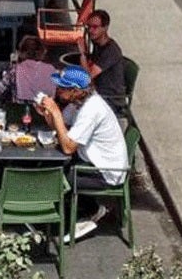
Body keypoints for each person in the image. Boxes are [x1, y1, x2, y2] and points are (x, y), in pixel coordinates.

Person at [36, 65, 128, 243]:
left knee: (57, 176)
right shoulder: (78, 104)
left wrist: (54, 111)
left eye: (62, 87)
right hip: (93, 162)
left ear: (76, 91)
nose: (58, 90)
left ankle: (82, 214)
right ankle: (89, 208)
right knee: (53, 166)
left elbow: (68, 147)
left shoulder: (91, 109)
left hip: (107, 171)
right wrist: (48, 114)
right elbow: (62, 126)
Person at [76, 9, 126, 102]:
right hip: (96, 91)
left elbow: (87, 77)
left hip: (109, 99)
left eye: (95, 27)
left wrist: (82, 54)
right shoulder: (97, 44)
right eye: (89, 27)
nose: (90, 30)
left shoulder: (110, 51)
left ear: (105, 28)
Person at [0, 37, 58, 103]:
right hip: (46, 110)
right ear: (42, 52)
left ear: (21, 52)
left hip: (20, 110)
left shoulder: (14, 70)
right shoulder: (52, 70)